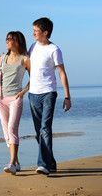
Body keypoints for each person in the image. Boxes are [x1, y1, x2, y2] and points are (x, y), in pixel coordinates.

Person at [28, 17, 71, 175]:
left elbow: (61, 72)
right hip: (33, 94)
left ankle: (43, 164)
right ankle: (51, 162)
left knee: (45, 129)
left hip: (48, 93)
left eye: (36, 31)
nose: (32, 33)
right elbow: (24, 64)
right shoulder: (32, 47)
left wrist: (67, 97)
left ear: (45, 33)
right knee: (39, 131)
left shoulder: (54, 50)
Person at [0, 31, 30, 175]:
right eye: (6, 38)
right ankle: (17, 162)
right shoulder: (2, 58)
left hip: (15, 98)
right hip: (0, 98)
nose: (6, 41)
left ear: (17, 41)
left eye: (9, 39)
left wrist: (23, 92)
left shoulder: (25, 59)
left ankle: (11, 163)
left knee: (12, 128)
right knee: (6, 131)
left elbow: (34, 78)